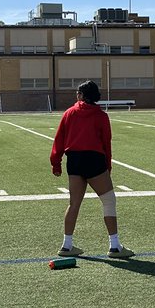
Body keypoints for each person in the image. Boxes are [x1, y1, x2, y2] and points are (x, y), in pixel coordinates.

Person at [50, 80, 133, 259]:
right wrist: (107, 166)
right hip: (94, 160)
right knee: (109, 201)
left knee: (74, 204)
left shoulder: (69, 113)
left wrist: (56, 163)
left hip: (74, 160)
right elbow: (106, 144)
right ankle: (115, 246)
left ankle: (66, 245)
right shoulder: (101, 116)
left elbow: (59, 140)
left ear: (82, 95)